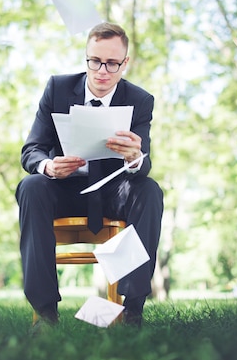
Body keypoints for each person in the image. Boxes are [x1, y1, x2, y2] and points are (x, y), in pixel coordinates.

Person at [16, 22, 163, 327]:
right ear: (86, 57)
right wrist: (49, 166)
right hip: (64, 190)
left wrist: (135, 157)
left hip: (113, 192)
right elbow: (31, 150)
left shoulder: (140, 100)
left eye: (112, 64)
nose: (102, 71)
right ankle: (45, 312)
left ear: (125, 63)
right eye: (94, 61)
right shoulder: (57, 88)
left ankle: (132, 308)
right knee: (31, 186)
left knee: (150, 190)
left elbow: (143, 165)